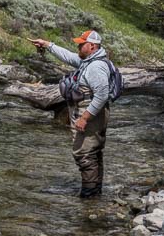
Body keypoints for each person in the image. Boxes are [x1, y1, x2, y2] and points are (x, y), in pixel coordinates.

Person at [29, 30, 111, 198]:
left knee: (84, 154)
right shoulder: (89, 60)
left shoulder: (95, 67)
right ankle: (95, 194)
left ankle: (89, 196)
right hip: (92, 113)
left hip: (90, 114)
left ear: (92, 46)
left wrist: (84, 118)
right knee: (94, 152)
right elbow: (68, 56)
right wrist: (47, 45)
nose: (78, 47)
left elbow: (102, 95)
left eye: (81, 44)